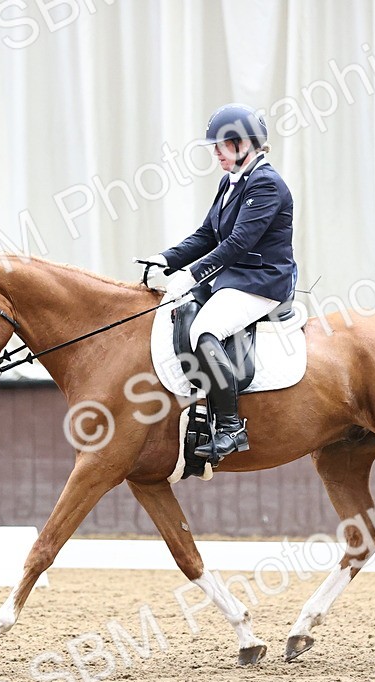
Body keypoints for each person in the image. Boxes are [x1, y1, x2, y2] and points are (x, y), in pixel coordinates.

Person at [143, 103, 298, 464]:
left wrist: (191, 275)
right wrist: (166, 259)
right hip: (235, 279)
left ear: (244, 143)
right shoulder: (231, 182)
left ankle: (230, 427)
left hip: (262, 282)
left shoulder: (266, 184)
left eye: (222, 145)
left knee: (204, 330)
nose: (215, 153)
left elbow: (239, 242)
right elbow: (207, 235)